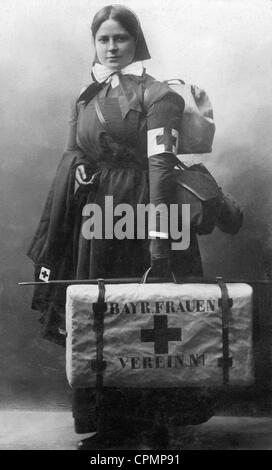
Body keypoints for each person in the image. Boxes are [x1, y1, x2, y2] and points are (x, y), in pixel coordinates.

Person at [27, 4, 211, 450]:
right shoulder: (87, 96)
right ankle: (112, 424)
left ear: (136, 42)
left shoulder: (159, 95)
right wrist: (82, 172)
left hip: (146, 211)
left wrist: (160, 244)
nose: (112, 47)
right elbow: (75, 153)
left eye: (120, 38)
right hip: (96, 219)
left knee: (151, 317)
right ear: (95, 44)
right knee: (101, 316)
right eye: (103, 39)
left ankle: (155, 423)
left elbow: (162, 168)